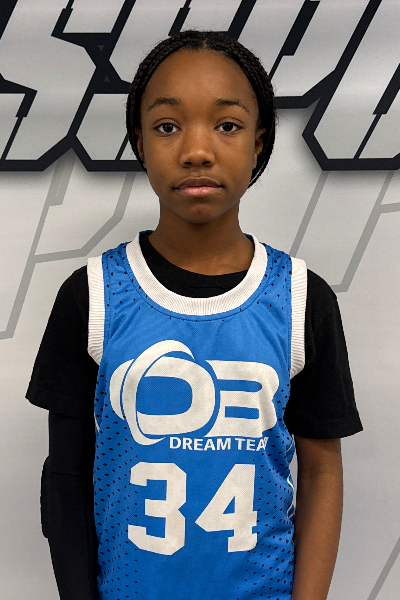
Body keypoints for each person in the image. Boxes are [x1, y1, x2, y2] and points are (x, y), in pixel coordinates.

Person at [27, 30, 363, 600]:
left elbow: (321, 471)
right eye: (167, 126)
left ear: (258, 143)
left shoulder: (302, 298)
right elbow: (66, 477)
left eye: (227, 125)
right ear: (139, 142)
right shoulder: (93, 296)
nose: (197, 150)